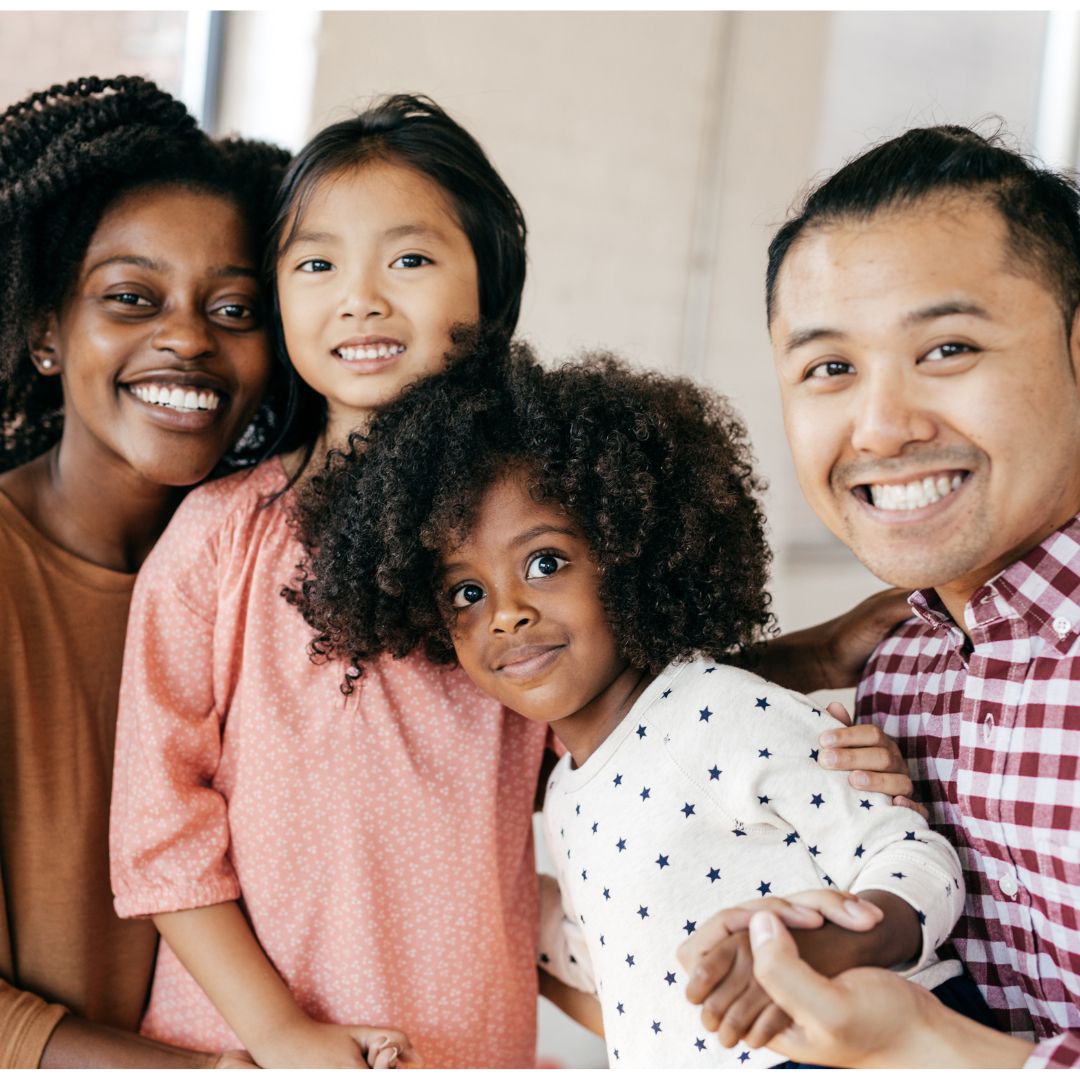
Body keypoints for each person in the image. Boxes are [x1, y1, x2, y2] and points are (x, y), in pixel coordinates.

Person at [108, 93, 913, 1069]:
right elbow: (160, 833)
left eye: (409, 258)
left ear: (487, 289)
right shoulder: (219, 540)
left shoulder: (525, 540)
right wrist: (283, 1038)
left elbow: (629, 715)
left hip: (471, 1040)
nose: (361, 296)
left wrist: (805, 679)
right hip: (247, 1042)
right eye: (317, 263)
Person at [285, 336, 994, 1068]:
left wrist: (835, 942)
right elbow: (632, 970)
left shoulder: (720, 712)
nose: (506, 613)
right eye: (467, 593)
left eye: (545, 563)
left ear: (633, 554)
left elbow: (911, 855)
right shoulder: (565, 793)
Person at [685, 124, 1080, 1068]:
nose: (883, 427)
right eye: (829, 368)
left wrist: (927, 1045)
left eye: (946, 349)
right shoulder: (894, 674)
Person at [0, 75, 289, 1067]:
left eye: (236, 307)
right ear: (45, 332)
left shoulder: (283, 569)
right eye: (131, 297)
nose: (188, 338)